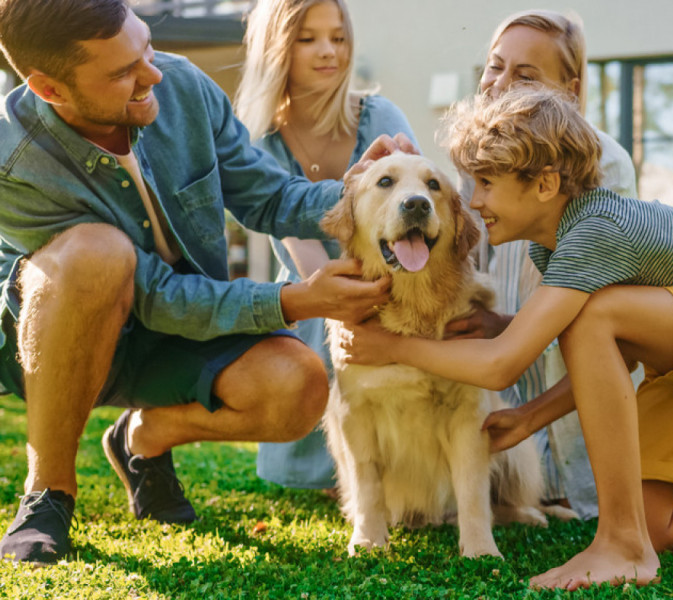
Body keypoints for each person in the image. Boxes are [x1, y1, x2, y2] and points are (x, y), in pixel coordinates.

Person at [340, 87, 673, 590]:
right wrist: (529, 415)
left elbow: (503, 366)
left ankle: (620, 545)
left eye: (487, 184)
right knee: (659, 527)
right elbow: (613, 356)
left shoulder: (593, 231)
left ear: (544, 185)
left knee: (594, 315)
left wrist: (391, 348)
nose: (474, 203)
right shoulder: (556, 247)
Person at [0, 0, 412, 565]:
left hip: (178, 335)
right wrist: (294, 299)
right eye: (124, 72)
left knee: (299, 386)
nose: (154, 74)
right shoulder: (13, 161)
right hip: (66, 338)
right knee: (97, 254)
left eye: (145, 47)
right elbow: (153, 296)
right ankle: (48, 492)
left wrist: (363, 191)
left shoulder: (181, 86)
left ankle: (143, 437)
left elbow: (268, 196)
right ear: (50, 89)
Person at [447, 9, 637, 517]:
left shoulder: (603, 166)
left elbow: (593, 323)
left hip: (565, 396)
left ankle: (560, 485)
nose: (500, 85)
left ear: (571, 92)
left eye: (526, 76)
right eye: (494, 67)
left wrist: (507, 331)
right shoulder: (474, 161)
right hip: (504, 394)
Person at [233, 0, 417, 493]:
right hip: (311, 293)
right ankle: (329, 464)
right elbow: (306, 258)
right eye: (308, 38)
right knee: (319, 314)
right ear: (277, 47)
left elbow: (412, 220)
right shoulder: (258, 142)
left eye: (338, 37)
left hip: (393, 281)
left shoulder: (379, 115)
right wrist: (341, 304)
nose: (328, 52)